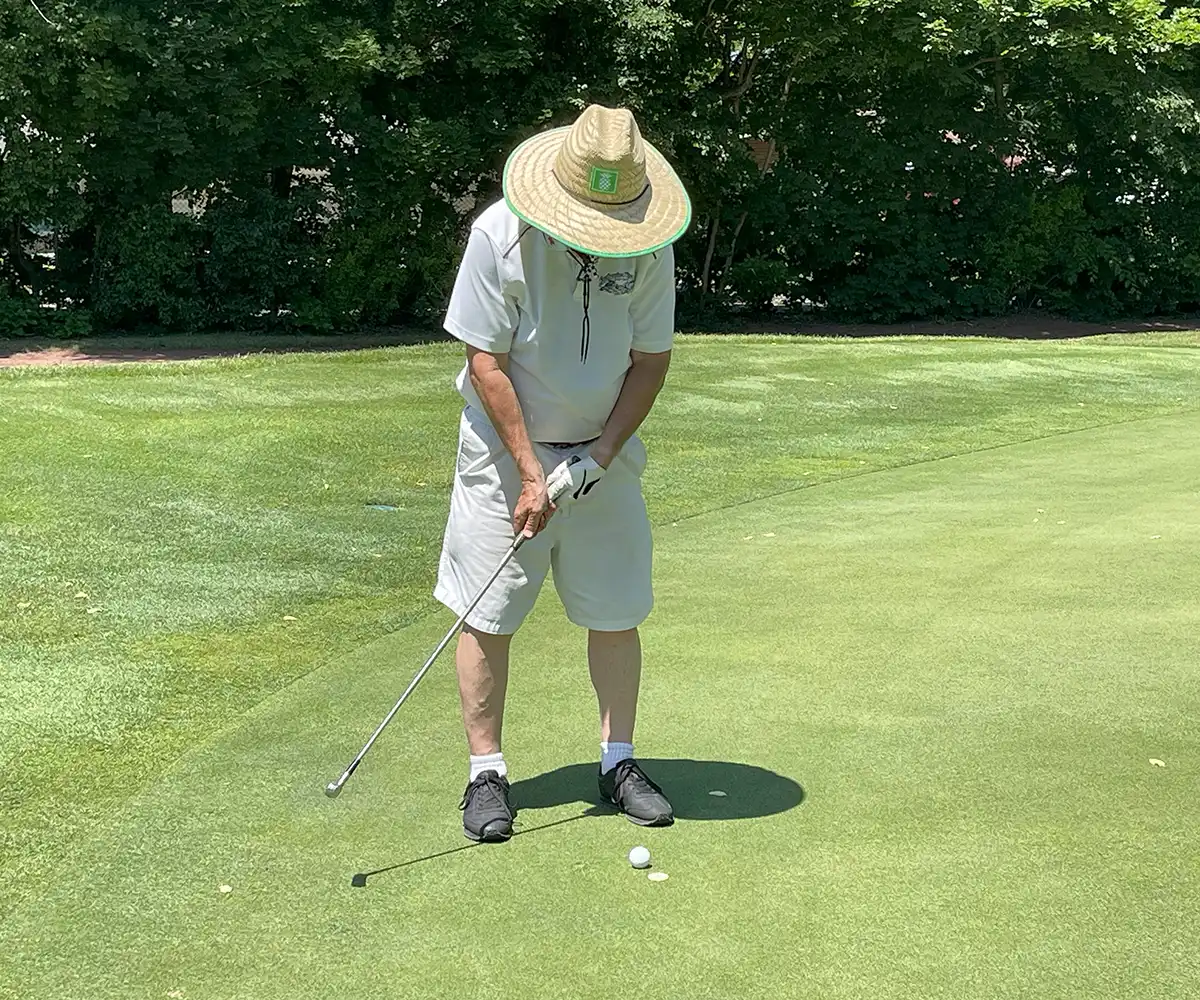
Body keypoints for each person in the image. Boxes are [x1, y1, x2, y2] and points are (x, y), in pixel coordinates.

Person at [434, 103, 692, 842]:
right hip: (502, 453)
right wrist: (529, 472)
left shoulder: (647, 247)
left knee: (616, 609)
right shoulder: (499, 235)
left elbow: (650, 361)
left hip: (603, 454)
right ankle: (486, 774)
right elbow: (485, 361)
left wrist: (599, 457)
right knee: (488, 612)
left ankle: (618, 762)